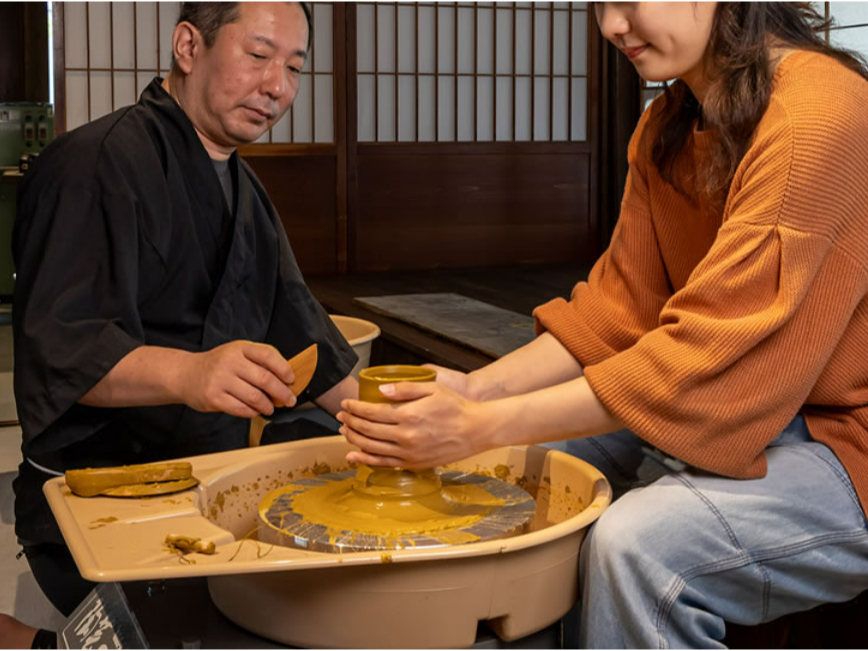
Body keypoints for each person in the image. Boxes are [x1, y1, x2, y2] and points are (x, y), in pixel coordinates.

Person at [338, 2, 868, 647]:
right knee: (518, 469)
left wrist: (480, 424)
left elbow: (712, 353)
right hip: (745, 404)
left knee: (638, 545)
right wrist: (474, 392)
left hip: (847, 434)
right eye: (600, 3)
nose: (613, 25)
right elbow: (618, 309)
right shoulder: (667, 123)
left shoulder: (817, 113)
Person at [2, 2, 358, 648]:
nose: (277, 86)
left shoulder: (247, 194)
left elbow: (302, 332)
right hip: (99, 489)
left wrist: (384, 421)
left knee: (328, 483)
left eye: (294, 67)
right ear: (189, 47)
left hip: (207, 472)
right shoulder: (93, 165)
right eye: (258, 55)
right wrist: (191, 373)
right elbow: (62, 347)